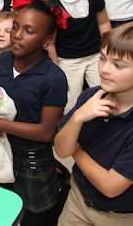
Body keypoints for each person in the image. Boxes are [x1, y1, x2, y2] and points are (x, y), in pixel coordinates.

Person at [0, 0, 67, 226]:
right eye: (16, 27)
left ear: (47, 40)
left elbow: (46, 132)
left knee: (33, 214)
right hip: (0, 149)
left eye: (28, 31)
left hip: (31, 157)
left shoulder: (53, 78)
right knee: (0, 208)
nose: (17, 35)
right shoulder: (4, 60)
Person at [55, 23, 133, 225]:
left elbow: (110, 186)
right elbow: (61, 149)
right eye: (102, 58)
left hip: (118, 217)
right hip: (78, 201)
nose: (104, 69)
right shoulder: (92, 95)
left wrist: (77, 150)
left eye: (118, 65)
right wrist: (79, 116)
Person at [47, 0, 111, 113]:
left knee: (105, 95)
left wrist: (107, 52)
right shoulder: (53, 5)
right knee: (69, 105)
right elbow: (50, 43)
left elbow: (103, 23)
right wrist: (57, 69)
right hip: (69, 61)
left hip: (96, 55)